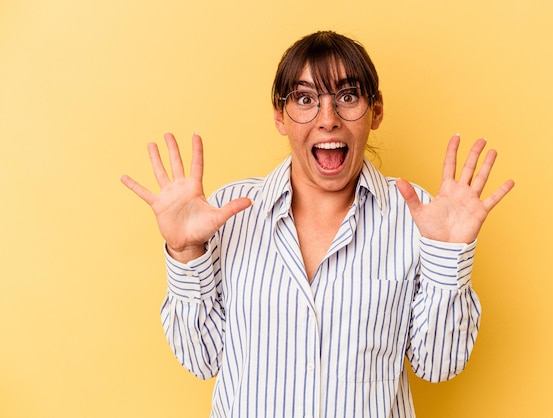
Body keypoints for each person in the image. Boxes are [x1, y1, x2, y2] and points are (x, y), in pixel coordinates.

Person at [121, 31, 514, 418]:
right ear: (280, 116)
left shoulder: (421, 216)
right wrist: (186, 252)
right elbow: (200, 359)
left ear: (376, 110)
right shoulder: (225, 213)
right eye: (306, 99)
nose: (328, 119)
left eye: (347, 96)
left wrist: (449, 258)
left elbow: (438, 365)